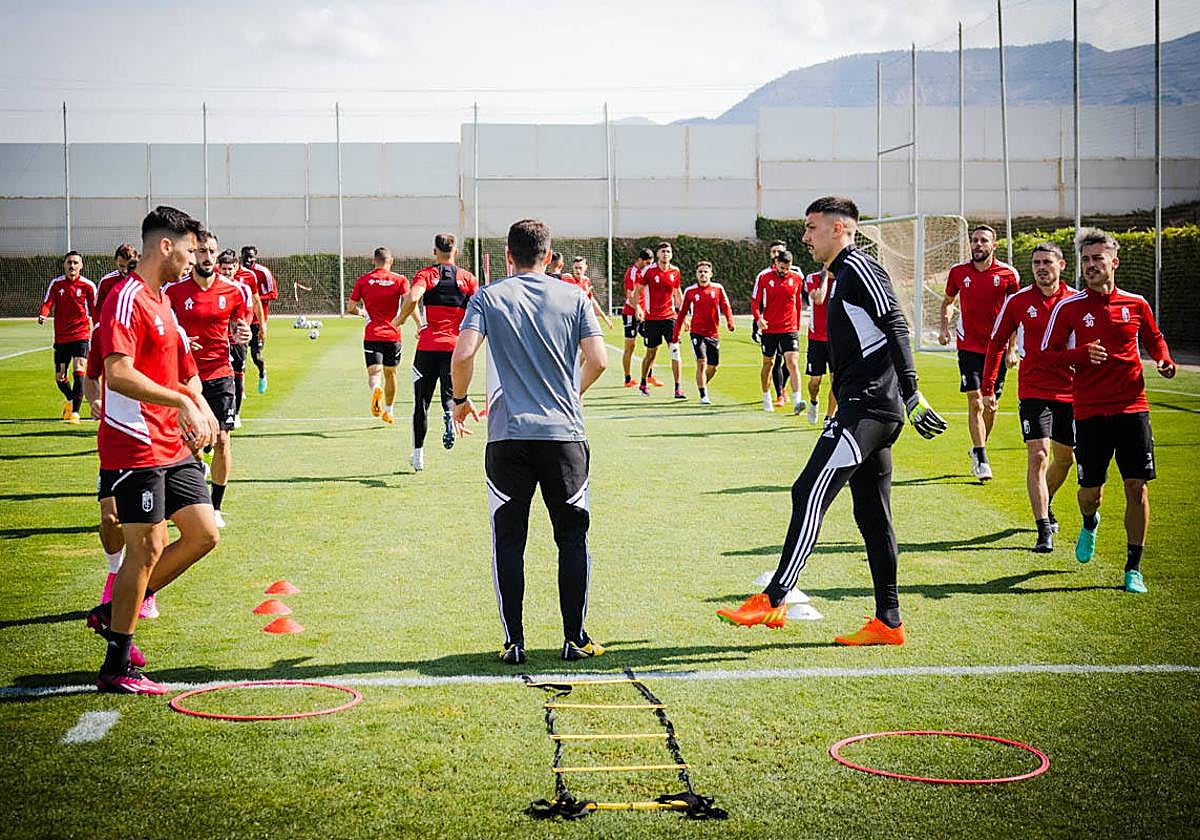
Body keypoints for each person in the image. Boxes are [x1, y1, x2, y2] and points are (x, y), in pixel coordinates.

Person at [718, 196, 946, 644]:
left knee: (808, 489)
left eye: (812, 227)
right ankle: (889, 622)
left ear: (840, 229)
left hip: (869, 407)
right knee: (873, 517)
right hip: (866, 406)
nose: (805, 237)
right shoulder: (836, 276)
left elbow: (896, 325)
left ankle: (774, 597)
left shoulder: (860, 268)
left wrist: (913, 389)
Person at [450, 218, 608, 665]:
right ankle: (574, 638)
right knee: (572, 538)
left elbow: (463, 355)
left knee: (509, 540)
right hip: (564, 437)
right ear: (550, 253)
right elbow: (597, 361)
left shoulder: (488, 296)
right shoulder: (574, 295)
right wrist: (569, 396)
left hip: (507, 438)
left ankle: (513, 642)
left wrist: (459, 401)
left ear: (507, 254)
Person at [87, 205, 221, 694]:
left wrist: (198, 404)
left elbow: (188, 372)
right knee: (147, 549)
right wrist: (182, 400)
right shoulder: (125, 298)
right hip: (135, 446)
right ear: (165, 246)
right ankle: (117, 666)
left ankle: (110, 612)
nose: (194, 258)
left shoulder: (164, 303)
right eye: (188, 249)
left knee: (204, 534)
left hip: (173, 446)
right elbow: (118, 373)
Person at [1040, 228, 1176, 593]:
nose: (1090, 265)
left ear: (1114, 262)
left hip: (1133, 408)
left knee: (1137, 486)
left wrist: (1163, 359)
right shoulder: (1070, 308)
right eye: (1085, 260)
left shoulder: (1136, 303)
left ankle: (1133, 568)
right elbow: (1046, 355)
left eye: (1097, 259)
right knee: (1090, 494)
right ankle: (1089, 523)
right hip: (1088, 413)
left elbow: (1154, 338)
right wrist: (1079, 356)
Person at [981, 242, 1076, 552]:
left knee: (1065, 460)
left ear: (1061, 265)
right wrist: (987, 387)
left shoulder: (1076, 300)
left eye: (1047, 262)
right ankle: (1043, 528)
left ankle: (1045, 504)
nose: (1040, 267)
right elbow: (995, 342)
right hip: (1034, 390)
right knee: (1038, 455)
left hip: (1072, 391)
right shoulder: (1019, 301)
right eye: (1036, 262)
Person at [165, 231, 252, 529]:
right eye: (201, 251)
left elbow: (242, 325)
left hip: (220, 374)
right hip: (185, 379)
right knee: (189, 443)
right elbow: (163, 329)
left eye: (211, 251)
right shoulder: (174, 293)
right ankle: (189, 500)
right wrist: (181, 339)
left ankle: (215, 507)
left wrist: (245, 334)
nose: (207, 256)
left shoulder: (234, 290)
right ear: (192, 254)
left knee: (222, 440)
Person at [85, 291, 158, 621]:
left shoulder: (162, 326)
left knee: (147, 531)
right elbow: (90, 379)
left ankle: (144, 591)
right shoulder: (104, 331)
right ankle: (113, 573)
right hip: (113, 441)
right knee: (110, 519)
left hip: (153, 441)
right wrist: (94, 400)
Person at [939, 225, 1020, 482]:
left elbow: (1015, 314)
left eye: (983, 241)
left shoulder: (1008, 275)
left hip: (996, 350)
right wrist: (944, 327)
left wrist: (1012, 349)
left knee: (991, 406)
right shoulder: (958, 272)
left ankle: (977, 447)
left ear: (993, 245)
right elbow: (948, 302)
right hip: (968, 346)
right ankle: (983, 457)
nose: (977, 244)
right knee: (975, 400)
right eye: (974, 240)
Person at [396, 233, 478, 471]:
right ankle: (448, 414)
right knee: (450, 396)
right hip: (454, 348)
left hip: (428, 347)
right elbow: (481, 304)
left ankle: (418, 455)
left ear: (435, 252)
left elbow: (413, 297)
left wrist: (400, 319)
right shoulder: (467, 278)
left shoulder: (428, 275)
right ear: (456, 252)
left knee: (420, 403)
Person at [348, 246, 410, 425]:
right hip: (393, 335)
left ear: (374, 261)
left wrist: (361, 313)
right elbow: (410, 302)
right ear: (391, 261)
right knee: (391, 374)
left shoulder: (364, 280)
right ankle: (389, 412)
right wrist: (407, 320)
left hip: (372, 334)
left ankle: (376, 388)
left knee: (374, 373)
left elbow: (350, 307)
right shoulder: (400, 280)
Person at [38, 251, 97, 424]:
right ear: (64, 264)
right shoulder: (56, 284)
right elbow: (48, 301)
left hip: (81, 334)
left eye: (75, 263)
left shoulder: (88, 286)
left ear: (81, 265)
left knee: (79, 371)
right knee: (60, 378)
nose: (72, 266)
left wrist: (99, 328)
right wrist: (43, 314)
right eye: (69, 262)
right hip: (62, 338)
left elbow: (94, 310)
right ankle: (71, 400)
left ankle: (75, 414)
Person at [672, 260, 734, 405]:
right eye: (700, 272)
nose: (703, 274)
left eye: (705, 272)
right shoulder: (690, 291)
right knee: (701, 362)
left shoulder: (718, 289)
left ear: (711, 274)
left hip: (713, 333)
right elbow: (681, 314)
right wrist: (676, 334)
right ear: (696, 274)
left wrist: (730, 322)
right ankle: (703, 395)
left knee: (713, 367)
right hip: (697, 333)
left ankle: (702, 383)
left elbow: (726, 306)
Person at [752, 250, 805, 415]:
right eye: (782, 267)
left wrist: (797, 325)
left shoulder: (796, 279)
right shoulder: (764, 278)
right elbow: (755, 302)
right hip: (770, 328)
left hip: (789, 328)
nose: (784, 270)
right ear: (775, 264)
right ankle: (766, 396)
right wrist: (758, 318)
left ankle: (798, 400)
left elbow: (797, 303)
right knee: (769, 363)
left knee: (792, 361)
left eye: (787, 267)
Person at [634, 241, 685, 399]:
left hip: (670, 318)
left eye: (668, 251)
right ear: (657, 254)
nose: (665, 254)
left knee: (675, 352)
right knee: (651, 353)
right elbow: (637, 292)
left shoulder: (675, 272)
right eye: (662, 251)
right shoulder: (648, 271)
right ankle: (643, 382)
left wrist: (684, 315)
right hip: (652, 319)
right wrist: (638, 308)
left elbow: (677, 293)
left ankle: (678, 388)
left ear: (671, 254)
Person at [218, 250, 263, 427]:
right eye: (224, 269)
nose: (227, 272)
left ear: (235, 268)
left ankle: (236, 413)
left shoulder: (242, 288)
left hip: (237, 341)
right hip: (219, 340)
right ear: (218, 269)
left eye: (230, 269)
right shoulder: (213, 288)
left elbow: (249, 312)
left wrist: (243, 330)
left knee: (237, 376)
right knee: (220, 377)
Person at [240, 245, 276, 394]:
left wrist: (254, 299)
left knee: (256, 357)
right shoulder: (237, 272)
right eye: (246, 256)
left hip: (257, 322)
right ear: (241, 256)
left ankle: (262, 374)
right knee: (238, 359)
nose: (249, 259)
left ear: (256, 257)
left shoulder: (263, 272)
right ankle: (239, 390)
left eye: (251, 256)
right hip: (241, 321)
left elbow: (273, 294)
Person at [802, 268, 836, 424]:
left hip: (837, 339)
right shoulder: (812, 278)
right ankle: (814, 401)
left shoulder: (843, 279)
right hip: (817, 338)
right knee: (815, 381)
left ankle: (829, 416)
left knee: (836, 380)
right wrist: (824, 277)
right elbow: (818, 299)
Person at [620, 248, 654, 387]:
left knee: (652, 343)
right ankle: (628, 378)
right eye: (647, 262)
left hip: (646, 314)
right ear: (640, 260)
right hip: (630, 313)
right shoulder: (632, 272)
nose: (649, 265)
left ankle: (649, 375)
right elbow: (630, 294)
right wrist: (637, 308)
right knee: (630, 346)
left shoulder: (648, 272)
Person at [566, 256, 614, 330]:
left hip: (583, 317)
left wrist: (605, 319)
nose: (578, 271)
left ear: (585, 268)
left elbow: (592, 301)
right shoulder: (568, 279)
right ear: (572, 267)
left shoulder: (586, 281)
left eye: (580, 268)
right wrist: (585, 293)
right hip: (570, 319)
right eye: (576, 268)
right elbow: (574, 299)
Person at [95, 243, 140, 314]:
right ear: (116, 261)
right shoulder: (106, 281)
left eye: (129, 266)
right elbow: (97, 309)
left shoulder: (144, 281)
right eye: (122, 266)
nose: (125, 270)